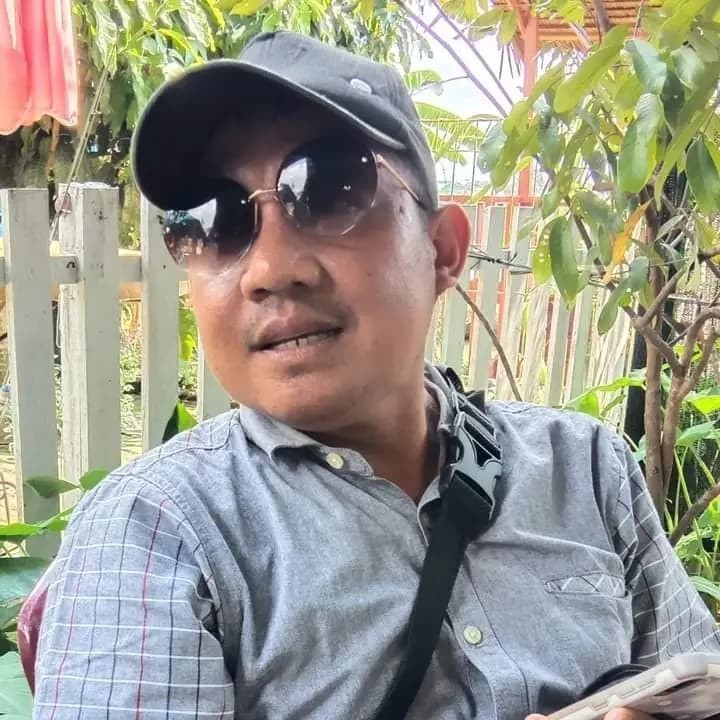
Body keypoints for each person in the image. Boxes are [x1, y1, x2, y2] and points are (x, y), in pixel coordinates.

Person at [29, 30, 720, 719]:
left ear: (443, 250)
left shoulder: (585, 468)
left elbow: (700, 684)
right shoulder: (158, 530)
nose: (270, 270)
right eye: (213, 220)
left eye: (329, 190)